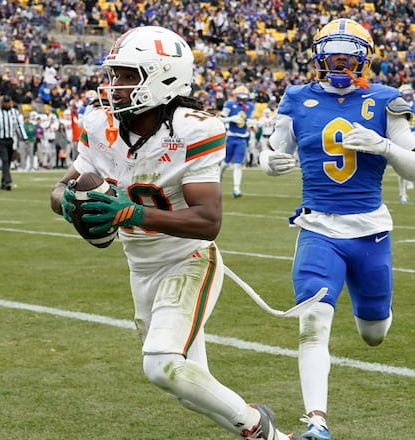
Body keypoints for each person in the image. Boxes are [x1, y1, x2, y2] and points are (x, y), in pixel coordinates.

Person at [49, 26, 292, 440]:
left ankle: (258, 426)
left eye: (128, 76)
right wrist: (63, 200)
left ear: (162, 76)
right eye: (114, 76)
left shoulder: (194, 130)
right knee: (186, 386)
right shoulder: (100, 123)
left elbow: (207, 220)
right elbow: (64, 183)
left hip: (188, 260)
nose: (115, 87)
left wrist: (130, 211)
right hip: (140, 268)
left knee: (161, 364)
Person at [259, 18, 415, 440]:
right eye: (333, 54)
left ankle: (373, 307)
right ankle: (317, 423)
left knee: (374, 332)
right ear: (318, 56)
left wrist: (384, 146)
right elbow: (273, 151)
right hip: (317, 226)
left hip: (370, 231)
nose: (339, 63)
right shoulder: (297, 98)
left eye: (348, 56)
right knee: (313, 325)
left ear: (363, 58)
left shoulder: (387, 100)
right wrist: (269, 163)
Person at [0, 94, 28, 190]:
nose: (7, 104)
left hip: (10, 140)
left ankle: (3, 183)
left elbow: (19, 126)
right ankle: (8, 181)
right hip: (0, 140)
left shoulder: (14, 112)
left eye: (9, 102)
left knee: (7, 161)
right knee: (4, 160)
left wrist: (24, 138)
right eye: (6, 102)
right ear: (2, 103)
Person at [219, 85, 254, 198]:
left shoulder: (250, 106)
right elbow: (220, 119)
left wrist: (251, 123)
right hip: (231, 136)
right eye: (241, 97)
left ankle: (236, 189)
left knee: (238, 165)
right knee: (225, 163)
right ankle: (218, 180)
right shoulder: (229, 104)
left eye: (245, 98)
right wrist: (231, 118)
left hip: (242, 138)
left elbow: (249, 120)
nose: (243, 100)